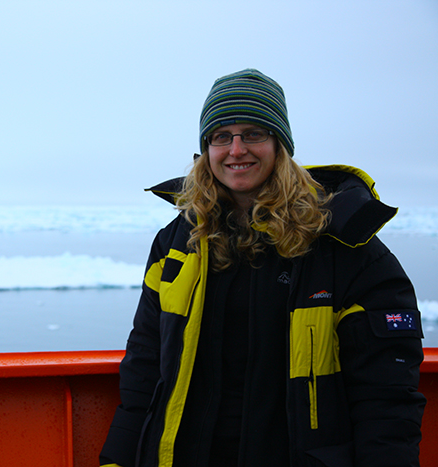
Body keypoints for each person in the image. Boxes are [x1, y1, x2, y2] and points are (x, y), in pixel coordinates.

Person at [99, 69, 425, 467]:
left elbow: (386, 399)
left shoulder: (345, 249)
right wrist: (117, 458)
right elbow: (145, 367)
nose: (237, 150)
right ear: (207, 150)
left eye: (253, 133)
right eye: (222, 136)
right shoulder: (177, 243)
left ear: (280, 145)